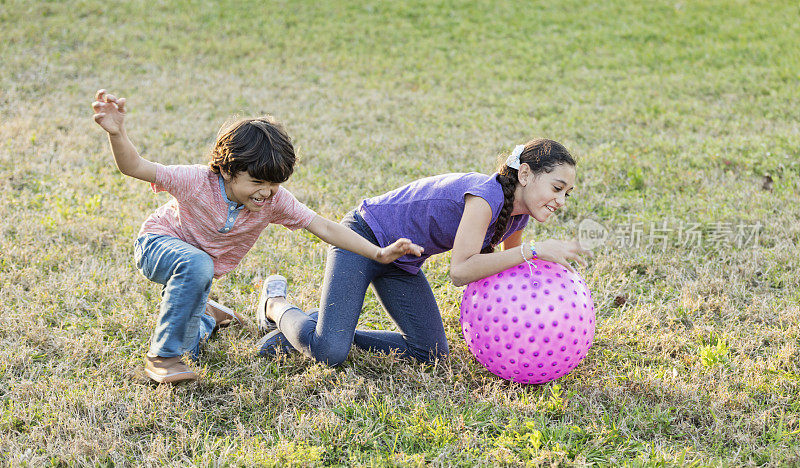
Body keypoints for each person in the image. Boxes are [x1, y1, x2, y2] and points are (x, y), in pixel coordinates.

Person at [91, 89, 421, 384]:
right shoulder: (194, 180)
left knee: (192, 344)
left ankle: (207, 315)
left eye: (274, 184)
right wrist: (118, 133)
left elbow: (324, 226)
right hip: (158, 245)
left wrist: (377, 253)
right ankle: (163, 356)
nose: (266, 193)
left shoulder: (274, 201)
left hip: (199, 270)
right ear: (225, 169)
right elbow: (134, 166)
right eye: (256, 183)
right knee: (196, 265)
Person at [258, 139, 592, 366]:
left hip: (402, 261)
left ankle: (321, 327)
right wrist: (534, 250)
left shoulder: (517, 214)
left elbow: (505, 270)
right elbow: (460, 271)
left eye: (568, 193)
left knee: (429, 354)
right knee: (331, 354)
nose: (561, 201)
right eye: (557, 188)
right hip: (365, 239)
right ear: (525, 174)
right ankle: (276, 305)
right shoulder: (485, 198)